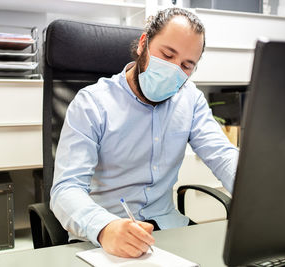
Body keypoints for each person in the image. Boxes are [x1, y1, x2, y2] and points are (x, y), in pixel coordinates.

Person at [50, 7, 239, 258]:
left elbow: (222, 155)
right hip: (104, 237)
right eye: (167, 54)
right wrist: (104, 227)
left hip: (168, 230)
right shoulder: (92, 103)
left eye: (186, 65)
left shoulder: (190, 100)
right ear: (143, 44)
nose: (174, 69)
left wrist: (262, 193)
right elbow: (66, 188)